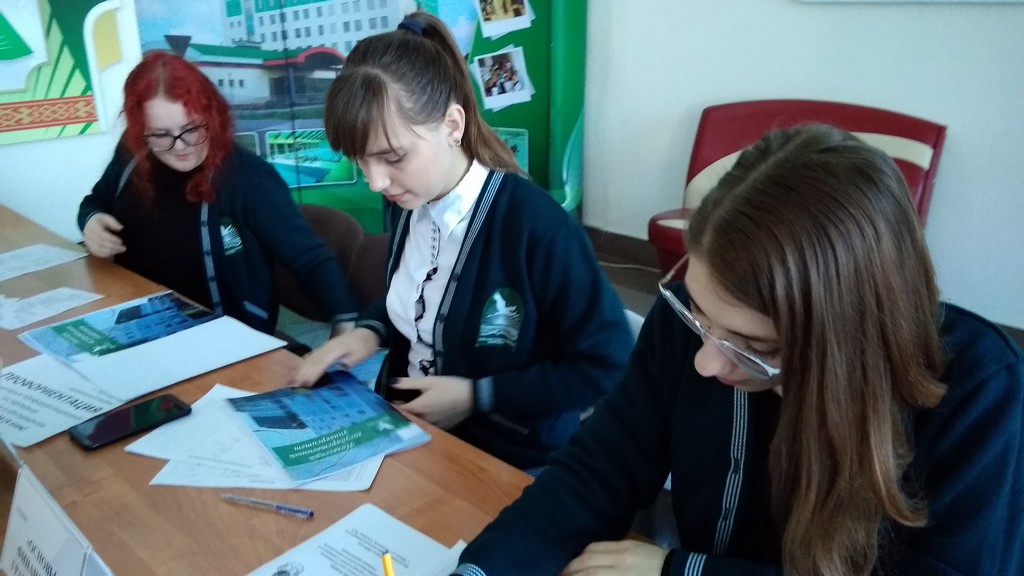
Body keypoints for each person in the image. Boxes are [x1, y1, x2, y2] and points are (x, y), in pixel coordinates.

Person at [450, 124, 1024, 575]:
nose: (706, 361)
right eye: (699, 312)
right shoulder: (688, 327)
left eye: (753, 347)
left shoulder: (977, 390)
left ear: (845, 343)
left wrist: (682, 570)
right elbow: (594, 472)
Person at [291, 12, 633, 471]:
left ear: (452, 125)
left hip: (508, 457)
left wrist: (476, 396)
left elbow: (606, 364)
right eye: (360, 161)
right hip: (412, 433)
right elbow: (420, 298)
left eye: (392, 157)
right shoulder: (408, 199)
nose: (375, 182)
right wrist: (369, 331)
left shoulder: (536, 227)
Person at [79, 51, 359, 335]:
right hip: (134, 314)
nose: (180, 146)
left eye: (191, 128)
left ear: (211, 115)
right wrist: (91, 220)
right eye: (161, 135)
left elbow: (309, 258)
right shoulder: (132, 153)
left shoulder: (248, 178)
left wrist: (345, 323)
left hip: (222, 331)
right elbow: (95, 202)